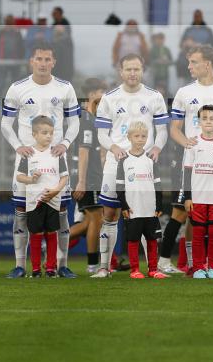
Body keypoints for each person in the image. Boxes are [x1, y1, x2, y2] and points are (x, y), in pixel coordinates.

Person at [161, 45, 213, 277]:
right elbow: (174, 128)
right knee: (184, 211)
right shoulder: (184, 92)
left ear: (208, 64)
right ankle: (178, 262)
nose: (189, 66)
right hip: (192, 157)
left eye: (193, 62)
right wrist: (186, 143)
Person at [1, 42, 81, 279]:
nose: (43, 63)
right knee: (21, 212)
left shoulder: (65, 88)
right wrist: (19, 146)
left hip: (56, 159)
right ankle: (20, 265)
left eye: (48, 59)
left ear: (54, 62)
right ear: (31, 61)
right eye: (39, 59)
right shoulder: (17, 88)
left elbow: (75, 122)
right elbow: (5, 123)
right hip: (28, 159)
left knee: (62, 212)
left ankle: (61, 264)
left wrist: (64, 143)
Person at [92, 53, 169, 278]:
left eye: (136, 69)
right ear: (121, 71)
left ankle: (151, 269)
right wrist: (114, 147)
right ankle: (104, 267)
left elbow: (162, 131)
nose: (133, 73)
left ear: (142, 70)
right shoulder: (109, 98)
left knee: (145, 214)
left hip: (144, 166)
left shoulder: (154, 97)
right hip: (115, 164)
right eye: (128, 69)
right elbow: (102, 135)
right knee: (109, 213)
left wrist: (156, 149)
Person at [179, 105, 213, 279]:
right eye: (204, 118)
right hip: (197, 196)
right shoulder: (192, 143)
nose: (208, 121)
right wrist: (187, 197)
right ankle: (198, 268)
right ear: (199, 121)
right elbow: (187, 172)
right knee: (198, 232)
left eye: (212, 118)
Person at [16, 116, 70, 278]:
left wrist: (56, 191)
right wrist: (31, 179)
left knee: (52, 233)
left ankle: (51, 268)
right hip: (34, 201)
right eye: (44, 133)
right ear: (34, 134)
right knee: (36, 235)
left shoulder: (57, 154)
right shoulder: (28, 154)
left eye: (51, 133)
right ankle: (35, 270)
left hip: (52, 200)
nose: (48, 136)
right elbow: (19, 177)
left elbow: (64, 177)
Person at [117, 120, 168, 279]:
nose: (140, 139)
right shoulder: (124, 160)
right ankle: (135, 270)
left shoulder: (151, 159)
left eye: (143, 136)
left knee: (152, 239)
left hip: (150, 209)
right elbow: (119, 187)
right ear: (129, 137)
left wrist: (159, 204)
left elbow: (158, 185)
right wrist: (124, 206)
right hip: (133, 209)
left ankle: (153, 269)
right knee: (133, 240)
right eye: (136, 136)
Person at [71, 78, 107, 274]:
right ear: (90, 94)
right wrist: (82, 181)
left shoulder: (93, 118)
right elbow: (83, 151)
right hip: (89, 178)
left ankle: (51, 246)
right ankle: (93, 264)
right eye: (98, 91)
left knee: (88, 222)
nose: (101, 94)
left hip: (94, 176)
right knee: (96, 220)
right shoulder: (86, 119)